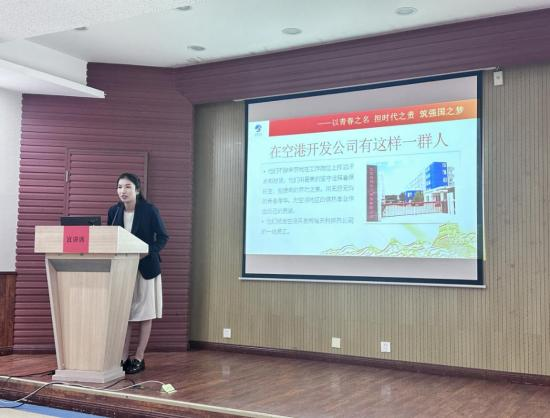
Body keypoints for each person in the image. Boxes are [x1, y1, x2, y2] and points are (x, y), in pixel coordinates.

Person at [107, 173, 169, 374]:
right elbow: (110, 238)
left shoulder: (149, 210)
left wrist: (148, 251)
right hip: (123, 269)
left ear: (137, 190)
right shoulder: (114, 212)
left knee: (145, 313)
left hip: (146, 268)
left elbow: (163, 237)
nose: (122, 191)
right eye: (119, 187)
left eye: (127, 187)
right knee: (125, 314)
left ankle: (139, 357)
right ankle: (123, 357)